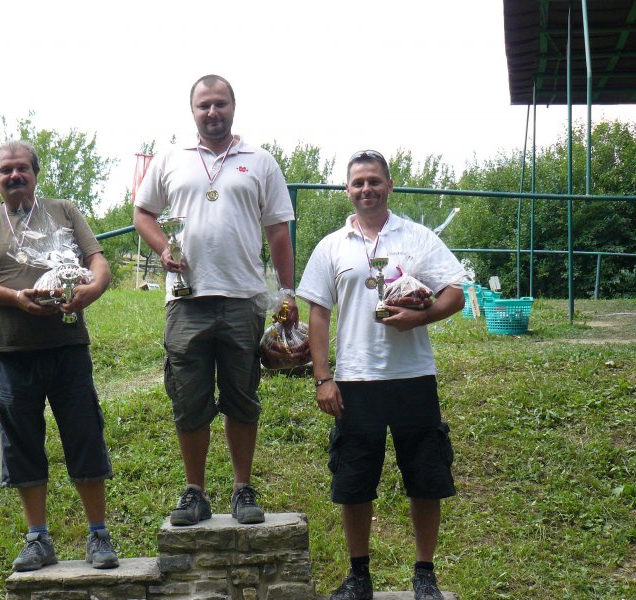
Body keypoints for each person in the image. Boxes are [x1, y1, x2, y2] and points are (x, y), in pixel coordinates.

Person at [296, 149, 467, 600]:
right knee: (354, 481)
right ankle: (359, 577)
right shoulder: (332, 246)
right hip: (355, 381)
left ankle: (425, 575)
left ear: (390, 185)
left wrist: (419, 318)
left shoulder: (417, 237)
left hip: (413, 376)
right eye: (358, 183)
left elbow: (455, 293)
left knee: (425, 477)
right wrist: (323, 378)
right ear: (347, 190)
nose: (366, 189)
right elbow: (318, 314)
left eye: (374, 181)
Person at [133, 74, 297, 526]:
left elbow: (278, 230)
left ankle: (243, 489)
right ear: (192, 110)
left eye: (220, 103)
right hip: (186, 301)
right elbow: (143, 213)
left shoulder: (260, 161)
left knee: (242, 396)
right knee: (189, 399)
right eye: (204, 105)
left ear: (233, 107)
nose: (212, 112)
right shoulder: (170, 158)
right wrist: (163, 248)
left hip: (244, 299)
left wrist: (287, 293)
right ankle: (195, 492)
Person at [0, 140, 119, 572]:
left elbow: (98, 261)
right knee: (22, 443)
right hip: (11, 351)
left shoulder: (64, 211)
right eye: (5, 170)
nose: (14, 175)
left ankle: (99, 534)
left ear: (35, 173)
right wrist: (14, 298)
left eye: (22, 168)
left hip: (68, 347)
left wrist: (93, 289)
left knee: (84, 434)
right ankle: (37, 538)